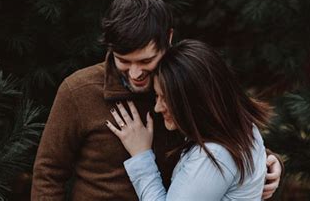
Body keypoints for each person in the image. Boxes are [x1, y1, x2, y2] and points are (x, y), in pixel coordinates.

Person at [31, 0, 282, 200]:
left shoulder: (184, 85)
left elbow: (218, 127)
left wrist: (268, 161)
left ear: (168, 38)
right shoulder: (78, 91)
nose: (135, 73)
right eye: (123, 61)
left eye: (146, 60)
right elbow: (49, 174)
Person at [107, 39, 270, 200]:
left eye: (166, 99)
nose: (157, 108)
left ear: (195, 101)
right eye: (157, 96)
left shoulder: (214, 156)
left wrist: (141, 155)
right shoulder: (241, 128)